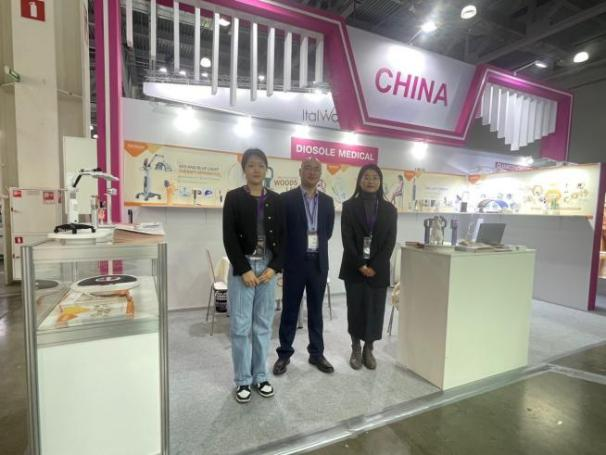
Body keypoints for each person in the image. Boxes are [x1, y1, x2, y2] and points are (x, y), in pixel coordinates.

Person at [223, 148, 285, 403]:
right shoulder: (234, 197)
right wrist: (243, 269)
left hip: (268, 267)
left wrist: (275, 267)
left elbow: (285, 237)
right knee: (240, 326)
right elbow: (229, 237)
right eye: (251, 165)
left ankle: (260, 376)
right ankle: (242, 380)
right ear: (244, 169)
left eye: (261, 165)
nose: (256, 169)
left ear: (266, 169)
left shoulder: (276, 200)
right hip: (244, 268)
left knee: (262, 325)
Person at [273, 158, 336, 376]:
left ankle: (316, 354)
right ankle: (284, 354)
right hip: (294, 263)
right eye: (307, 168)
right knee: (290, 310)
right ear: (300, 172)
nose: (312, 172)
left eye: (316, 169)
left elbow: (327, 232)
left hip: (318, 263)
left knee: (316, 311)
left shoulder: (327, 201)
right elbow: (280, 233)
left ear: (320, 174)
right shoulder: (286, 199)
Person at [339, 164, 397, 370]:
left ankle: (369, 348)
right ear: (359, 180)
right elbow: (347, 239)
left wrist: (375, 266)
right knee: (355, 308)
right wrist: (361, 265)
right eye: (366, 177)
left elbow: (390, 241)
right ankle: (355, 347)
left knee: (375, 309)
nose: (370, 181)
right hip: (353, 267)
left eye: (375, 177)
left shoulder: (389, 209)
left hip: (378, 270)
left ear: (380, 182)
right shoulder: (349, 206)